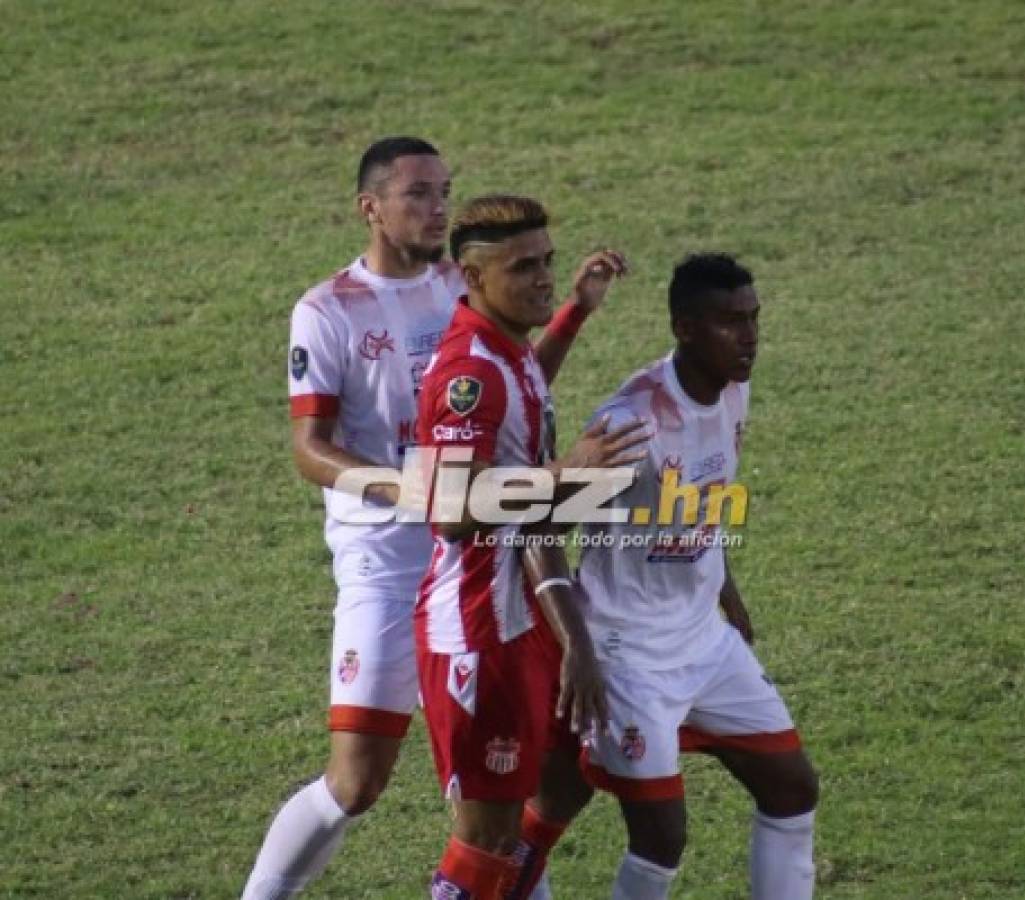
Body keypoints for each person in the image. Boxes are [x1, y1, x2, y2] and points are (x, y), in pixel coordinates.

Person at [242, 141, 632, 899]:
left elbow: (508, 394)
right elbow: (309, 448)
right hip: (386, 564)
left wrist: (571, 317)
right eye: (419, 194)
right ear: (372, 208)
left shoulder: (463, 284)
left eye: (444, 192)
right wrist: (412, 489)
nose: (437, 208)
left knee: (504, 792)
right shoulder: (328, 310)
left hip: (479, 561)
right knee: (357, 782)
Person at [506, 253, 820, 900]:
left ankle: (513, 858)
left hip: (703, 640)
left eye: (754, 318)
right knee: (661, 836)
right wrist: (580, 648)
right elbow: (536, 530)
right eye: (731, 323)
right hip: (626, 654)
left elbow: (706, 493)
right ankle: (499, 868)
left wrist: (726, 590)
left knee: (792, 786)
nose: (750, 336)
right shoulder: (633, 425)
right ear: (684, 328)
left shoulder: (734, 388)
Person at [415, 195, 648, 899]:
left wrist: (575, 311)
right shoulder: (468, 373)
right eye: (524, 268)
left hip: (527, 606)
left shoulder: (505, 352)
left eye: (547, 260)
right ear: (472, 277)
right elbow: (451, 509)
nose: (543, 276)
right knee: (483, 839)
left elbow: (519, 399)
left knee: (568, 777)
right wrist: (565, 474)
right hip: (481, 625)